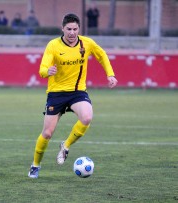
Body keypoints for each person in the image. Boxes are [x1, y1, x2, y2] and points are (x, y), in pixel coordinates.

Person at [28, 13, 118, 178]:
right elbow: (42, 69)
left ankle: (66, 145)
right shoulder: (53, 45)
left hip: (77, 92)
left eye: (75, 29)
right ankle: (35, 165)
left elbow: (102, 55)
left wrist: (110, 74)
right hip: (56, 94)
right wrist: (47, 71)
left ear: (79, 29)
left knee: (87, 117)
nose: (71, 32)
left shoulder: (87, 43)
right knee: (47, 133)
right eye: (68, 29)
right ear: (62, 29)